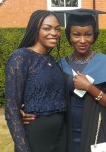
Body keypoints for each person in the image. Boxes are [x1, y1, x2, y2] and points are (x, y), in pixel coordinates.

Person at [22, 9, 106, 152]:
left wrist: (90, 87)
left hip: (97, 132)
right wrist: (23, 109)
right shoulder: (59, 65)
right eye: (76, 35)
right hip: (64, 132)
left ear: (94, 36)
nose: (82, 40)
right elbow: (43, 94)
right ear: (69, 36)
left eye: (88, 34)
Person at [5, 10, 67, 152]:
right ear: (35, 30)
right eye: (47, 28)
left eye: (57, 29)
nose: (54, 33)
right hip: (36, 137)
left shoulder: (51, 60)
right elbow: (11, 109)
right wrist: (23, 148)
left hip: (60, 136)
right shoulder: (21, 57)